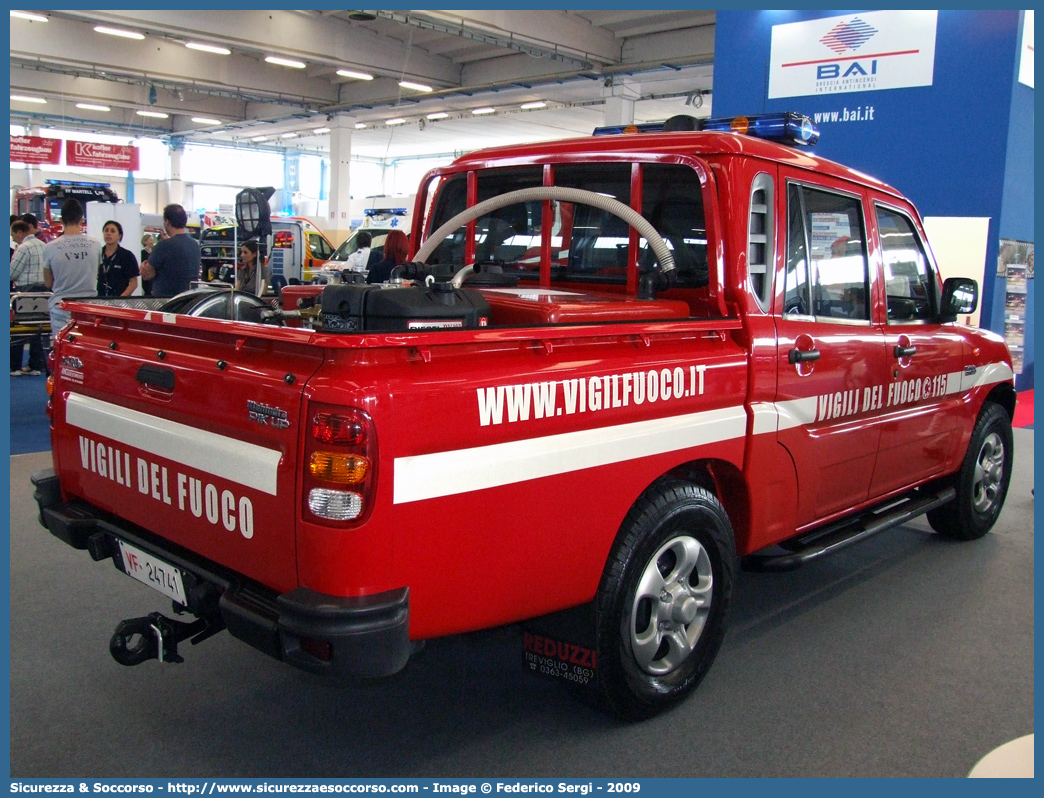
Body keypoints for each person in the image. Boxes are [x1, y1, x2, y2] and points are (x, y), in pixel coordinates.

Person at [42, 198, 101, 340]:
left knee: (62, 348)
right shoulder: (96, 244)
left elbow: (48, 282)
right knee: (86, 346)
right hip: (88, 307)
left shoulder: (50, 247)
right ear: (81, 219)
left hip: (61, 306)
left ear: (61, 220)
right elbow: (96, 274)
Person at [10, 219, 49, 375]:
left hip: (25, 293)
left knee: (18, 329)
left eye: (13, 235)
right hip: (44, 292)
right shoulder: (45, 246)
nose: (12, 238)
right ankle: (35, 365)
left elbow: (12, 273)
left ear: (20, 233)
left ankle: (15, 367)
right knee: (38, 329)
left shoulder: (23, 248)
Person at [139, 203, 200, 296]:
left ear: (167, 222)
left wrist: (144, 265)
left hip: (167, 300)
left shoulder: (163, 245)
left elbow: (147, 275)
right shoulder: (195, 245)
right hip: (190, 299)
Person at [96, 220, 140, 297]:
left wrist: (121, 298)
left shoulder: (127, 255)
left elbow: (134, 283)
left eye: (112, 231)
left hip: (120, 300)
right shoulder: (98, 253)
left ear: (119, 235)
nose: (108, 233)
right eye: (106, 231)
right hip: (100, 299)